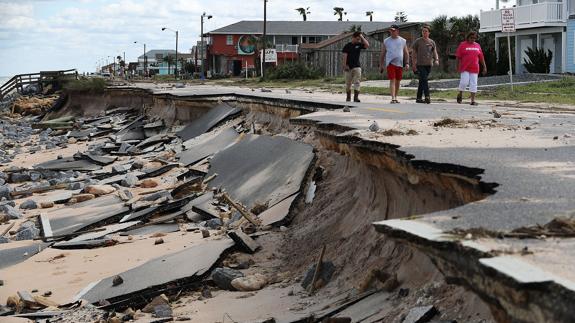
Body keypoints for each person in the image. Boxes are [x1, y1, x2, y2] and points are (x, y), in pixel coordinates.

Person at [455, 31, 487, 106]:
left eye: (474, 38)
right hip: (465, 68)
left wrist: (484, 67)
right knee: (464, 82)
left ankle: (472, 101)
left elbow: (481, 57)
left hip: (475, 68)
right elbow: (458, 57)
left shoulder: (477, 45)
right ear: (468, 37)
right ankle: (460, 93)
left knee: (474, 84)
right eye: (471, 38)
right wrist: (457, 67)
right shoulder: (462, 45)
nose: (473, 39)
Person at [380, 24, 409, 104]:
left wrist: (407, 63)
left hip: (399, 63)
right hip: (390, 63)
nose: (392, 32)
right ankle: (393, 98)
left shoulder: (402, 41)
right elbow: (382, 53)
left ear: (397, 31)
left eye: (393, 30)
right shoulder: (386, 41)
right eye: (391, 31)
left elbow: (406, 53)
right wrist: (381, 64)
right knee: (392, 80)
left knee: (398, 81)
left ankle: (396, 97)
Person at [411, 25, 439, 104]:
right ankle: (427, 96)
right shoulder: (418, 41)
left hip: (429, 65)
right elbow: (413, 53)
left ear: (429, 32)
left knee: (422, 81)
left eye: (426, 31)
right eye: (423, 31)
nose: (424, 32)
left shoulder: (432, 42)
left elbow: (435, 52)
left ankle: (418, 98)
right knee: (424, 80)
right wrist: (413, 64)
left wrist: (436, 59)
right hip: (420, 64)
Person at [342, 31, 370, 102]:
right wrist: (345, 65)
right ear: (353, 38)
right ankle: (348, 97)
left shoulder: (359, 44)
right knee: (348, 83)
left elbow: (367, 45)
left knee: (357, 82)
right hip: (349, 67)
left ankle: (356, 97)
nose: (358, 40)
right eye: (357, 39)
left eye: (359, 39)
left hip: (357, 66)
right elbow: (345, 56)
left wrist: (362, 37)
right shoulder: (347, 46)